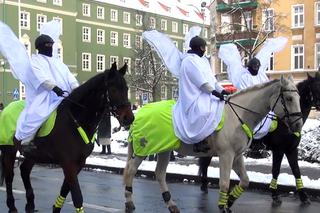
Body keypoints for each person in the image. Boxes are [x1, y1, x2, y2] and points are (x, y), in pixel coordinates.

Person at [13, 34, 79, 153]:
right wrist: (54, 88)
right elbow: (40, 78)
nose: (50, 47)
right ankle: (27, 140)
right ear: (40, 47)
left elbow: (69, 76)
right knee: (37, 113)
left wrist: (75, 87)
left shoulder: (59, 63)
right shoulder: (34, 61)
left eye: (51, 45)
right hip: (44, 96)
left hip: (64, 95)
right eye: (47, 45)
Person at [218, 36, 288, 139]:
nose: (256, 69)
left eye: (257, 67)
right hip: (249, 106)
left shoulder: (261, 76)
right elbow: (246, 92)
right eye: (254, 68)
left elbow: (266, 88)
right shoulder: (244, 78)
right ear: (250, 67)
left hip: (263, 104)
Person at [172, 36, 229, 153]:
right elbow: (202, 83)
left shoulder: (203, 61)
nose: (204, 50)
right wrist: (215, 93)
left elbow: (212, 80)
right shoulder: (189, 61)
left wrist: (222, 90)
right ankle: (199, 141)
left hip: (206, 95)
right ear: (198, 47)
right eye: (203, 47)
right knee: (204, 112)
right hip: (194, 97)